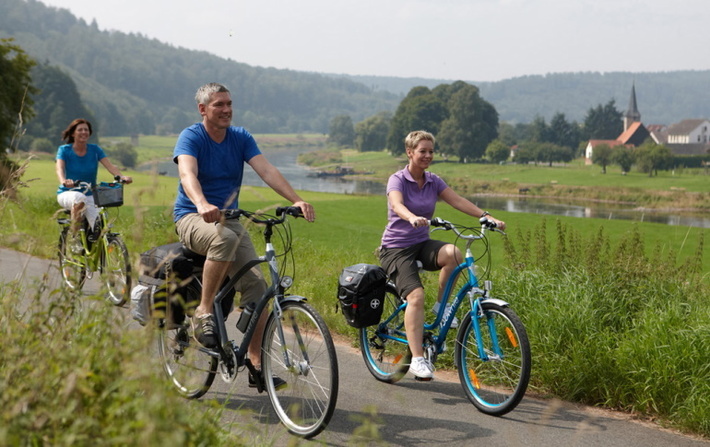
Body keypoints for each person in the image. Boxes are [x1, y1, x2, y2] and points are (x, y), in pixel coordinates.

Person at [172, 82, 315, 388]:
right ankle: (203, 311)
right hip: (192, 217)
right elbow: (187, 174)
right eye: (218, 105)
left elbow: (267, 170)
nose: (226, 110)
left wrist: (295, 200)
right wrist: (202, 203)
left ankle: (255, 362)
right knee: (223, 239)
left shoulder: (240, 137)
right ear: (203, 109)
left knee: (258, 287)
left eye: (229, 104)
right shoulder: (191, 136)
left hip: (230, 221)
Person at [378, 130, 506, 380]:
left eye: (431, 151)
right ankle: (416, 359)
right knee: (415, 296)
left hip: (420, 243)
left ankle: (441, 306)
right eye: (422, 151)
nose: (427, 155)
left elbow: (457, 200)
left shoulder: (433, 180)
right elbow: (396, 204)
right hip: (395, 248)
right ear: (410, 152)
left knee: (454, 254)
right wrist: (411, 216)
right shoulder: (398, 179)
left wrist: (486, 216)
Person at [55, 118, 133, 236]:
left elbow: (110, 166)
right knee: (79, 199)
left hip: (90, 194)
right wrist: (64, 181)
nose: (84, 132)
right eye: (80, 130)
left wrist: (122, 177)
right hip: (68, 192)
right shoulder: (64, 150)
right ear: (73, 133)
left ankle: (99, 251)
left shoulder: (95, 150)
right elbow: (59, 168)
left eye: (86, 130)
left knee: (99, 228)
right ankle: (74, 238)